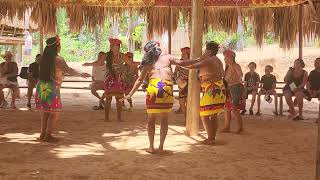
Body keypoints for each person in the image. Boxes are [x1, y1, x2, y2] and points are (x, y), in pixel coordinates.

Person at [122, 41, 174, 154]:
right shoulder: (167, 59)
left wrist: (130, 94)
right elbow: (183, 63)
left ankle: (151, 147)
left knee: (151, 119)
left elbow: (139, 80)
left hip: (154, 90)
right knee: (165, 119)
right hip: (167, 88)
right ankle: (161, 147)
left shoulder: (148, 64)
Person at [35, 36, 90, 142]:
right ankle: (48, 135)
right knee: (55, 112)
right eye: (59, 46)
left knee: (45, 112)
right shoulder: (58, 59)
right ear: (56, 47)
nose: (60, 48)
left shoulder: (42, 59)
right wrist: (81, 74)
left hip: (41, 86)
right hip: (51, 87)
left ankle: (43, 134)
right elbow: (68, 70)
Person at [174, 42, 225, 144]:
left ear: (209, 51)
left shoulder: (209, 60)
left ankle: (210, 138)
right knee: (213, 115)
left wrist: (175, 62)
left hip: (212, 89)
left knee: (204, 114)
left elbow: (191, 66)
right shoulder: (218, 60)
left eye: (205, 50)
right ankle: (212, 137)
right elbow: (196, 61)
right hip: (219, 88)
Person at [222, 49, 245, 134]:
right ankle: (227, 126)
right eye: (225, 58)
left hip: (236, 88)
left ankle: (240, 127)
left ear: (232, 58)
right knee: (227, 108)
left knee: (235, 109)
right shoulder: (227, 68)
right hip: (229, 89)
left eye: (226, 57)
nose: (225, 59)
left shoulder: (235, 65)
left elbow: (240, 75)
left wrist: (235, 79)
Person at [104, 38, 126, 122]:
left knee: (119, 99)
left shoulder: (122, 55)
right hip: (110, 80)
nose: (114, 48)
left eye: (116, 46)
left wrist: (143, 63)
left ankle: (119, 117)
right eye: (113, 46)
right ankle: (106, 117)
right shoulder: (107, 55)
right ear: (110, 47)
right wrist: (89, 64)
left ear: (119, 47)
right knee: (108, 99)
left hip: (119, 80)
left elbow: (131, 63)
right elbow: (99, 62)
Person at [173, 47, 190, 116]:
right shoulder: (179, 62)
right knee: (182, 102)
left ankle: (188, 118)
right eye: (182, 53)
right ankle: (185, 118)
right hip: (181, 84)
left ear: (188, 54)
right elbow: (175, 72)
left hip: (190, 84)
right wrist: (177, 79)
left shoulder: (192, 62)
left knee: (188, 102)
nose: (182, 55)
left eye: (184, 53)